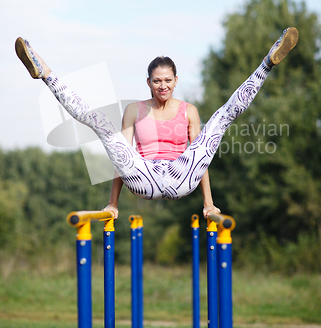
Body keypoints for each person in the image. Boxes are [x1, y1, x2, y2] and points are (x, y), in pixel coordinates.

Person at [15, 27, 299, 220]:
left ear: (176, 81)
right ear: (148, 83)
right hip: (143, 178)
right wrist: (113, 203)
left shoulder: (189, 111)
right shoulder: (134, 110)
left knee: (221, 119)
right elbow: (121, 160)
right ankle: (46, 74)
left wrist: (208, 203)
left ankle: (267, 64)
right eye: (156, 81)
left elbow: (200, 157)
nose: (162, 86)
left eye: (167, 80)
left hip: (181, 178)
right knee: (101, 123)